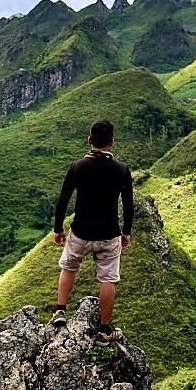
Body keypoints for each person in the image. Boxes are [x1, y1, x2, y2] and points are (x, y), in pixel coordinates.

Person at [50, 120, 133, 346]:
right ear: (112, 142)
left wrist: (58, 228)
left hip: (81, 231)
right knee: (107, 279)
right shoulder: (121, 170)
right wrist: (126, 232)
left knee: (69, 267)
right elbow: (128, 205)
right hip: (109, 233)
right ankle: (105, 330)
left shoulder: (77, 167)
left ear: (89, 141)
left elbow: (63, 200)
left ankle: (60, 311)